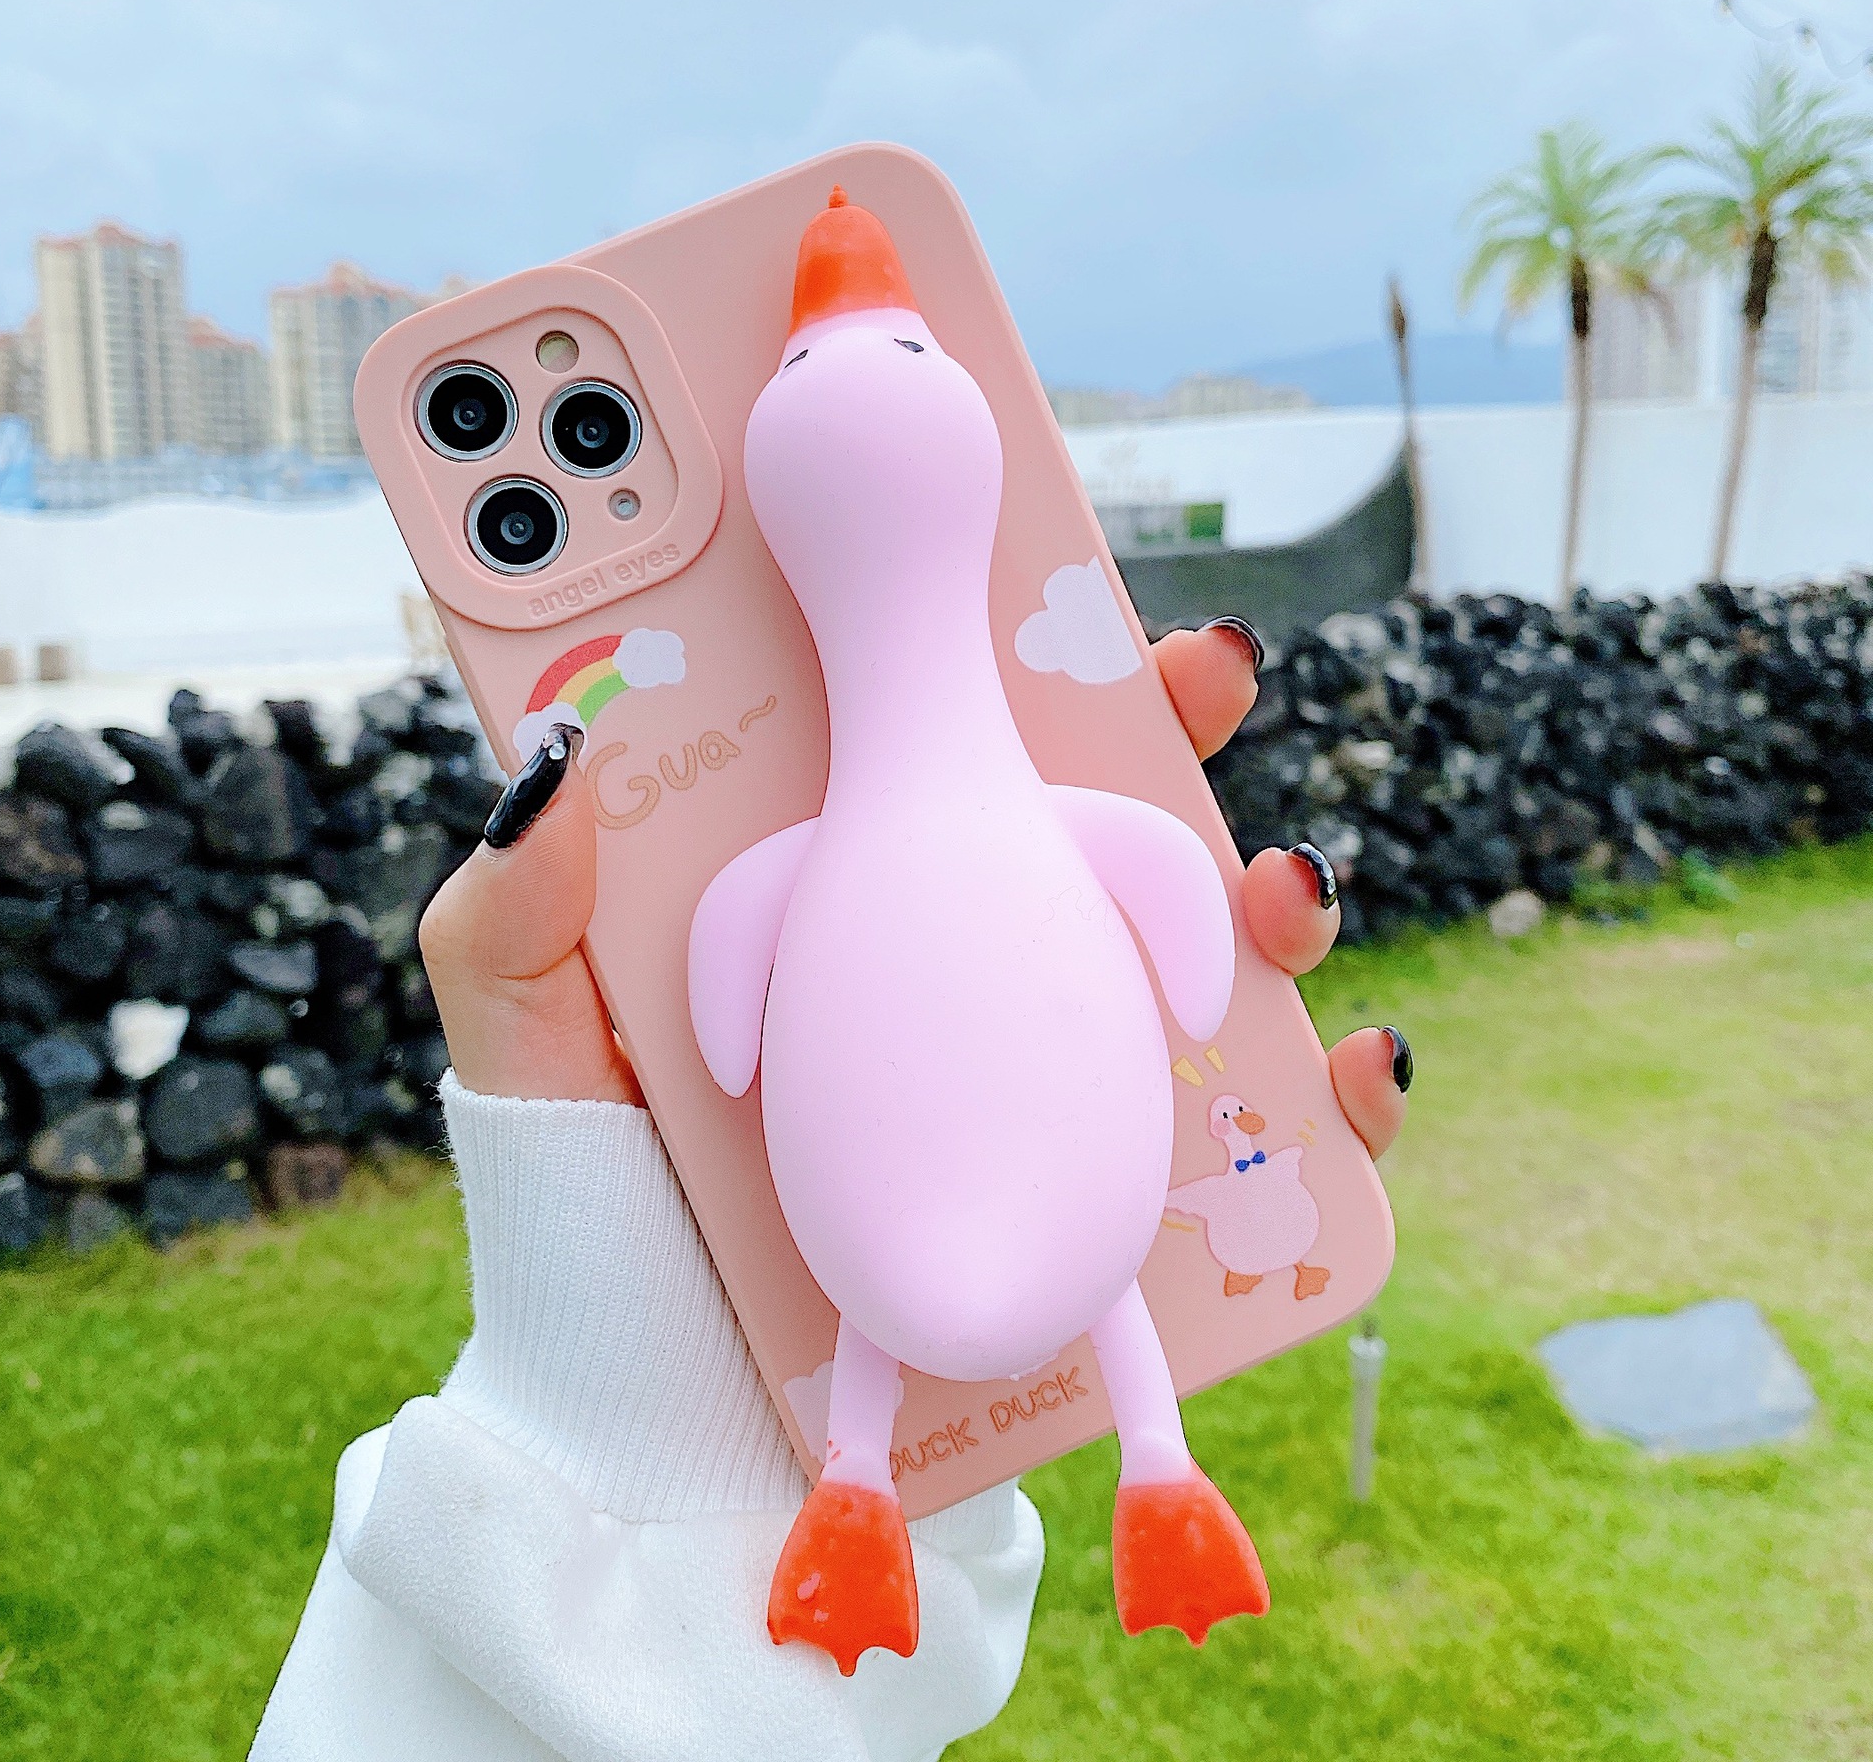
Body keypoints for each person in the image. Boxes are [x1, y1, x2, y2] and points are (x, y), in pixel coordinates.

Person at [249, 619, 1410, 1762]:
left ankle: (1027, 1476)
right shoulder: (1011, 833)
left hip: (940, 1258)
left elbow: (735, 997)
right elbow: (1168, 900)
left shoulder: (823, 866)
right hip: (984, 1249)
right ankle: (1117, 1473)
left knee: (920, 1306)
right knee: (1032, 1293)